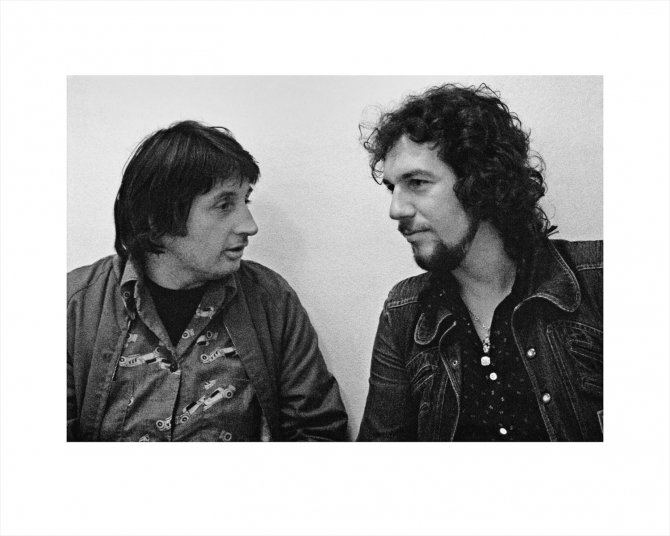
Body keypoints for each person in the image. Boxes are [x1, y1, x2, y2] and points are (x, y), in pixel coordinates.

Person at [68, 120, 348, 441]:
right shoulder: (75, 306)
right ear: (157, 218)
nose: (250, 225)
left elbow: (318, 431)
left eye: (245, 201)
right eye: (224, 205)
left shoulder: (271, 300)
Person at [357, 84, 602, 441]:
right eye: (393, 188)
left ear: (481, 182)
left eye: (418, 182)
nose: (396, 209)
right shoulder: (404, 314)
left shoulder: (598, 280)